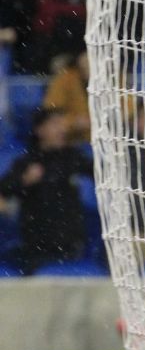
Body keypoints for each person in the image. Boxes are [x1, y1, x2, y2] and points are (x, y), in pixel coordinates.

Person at [0, 109, 92, 274]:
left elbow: (101, 172)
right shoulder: (27, 161)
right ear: (40, 130)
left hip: (72, 241)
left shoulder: (74, 157)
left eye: (62, 124)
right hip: (37, 243)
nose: (61, 129)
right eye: (55, 124)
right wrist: (24, 181)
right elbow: (5, 189)